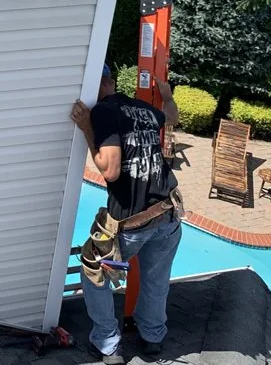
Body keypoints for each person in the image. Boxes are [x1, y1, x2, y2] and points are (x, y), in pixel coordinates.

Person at [71, 65, 182, 365]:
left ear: (99, 83)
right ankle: (153, 338)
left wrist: (87, 129)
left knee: (93, 268)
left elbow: (110, 169)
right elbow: (172, 117)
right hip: (168, 219)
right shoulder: (142, 108)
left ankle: (108, 343)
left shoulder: (104, 113)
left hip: (132, 227)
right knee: (156, 281)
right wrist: (167, 97)